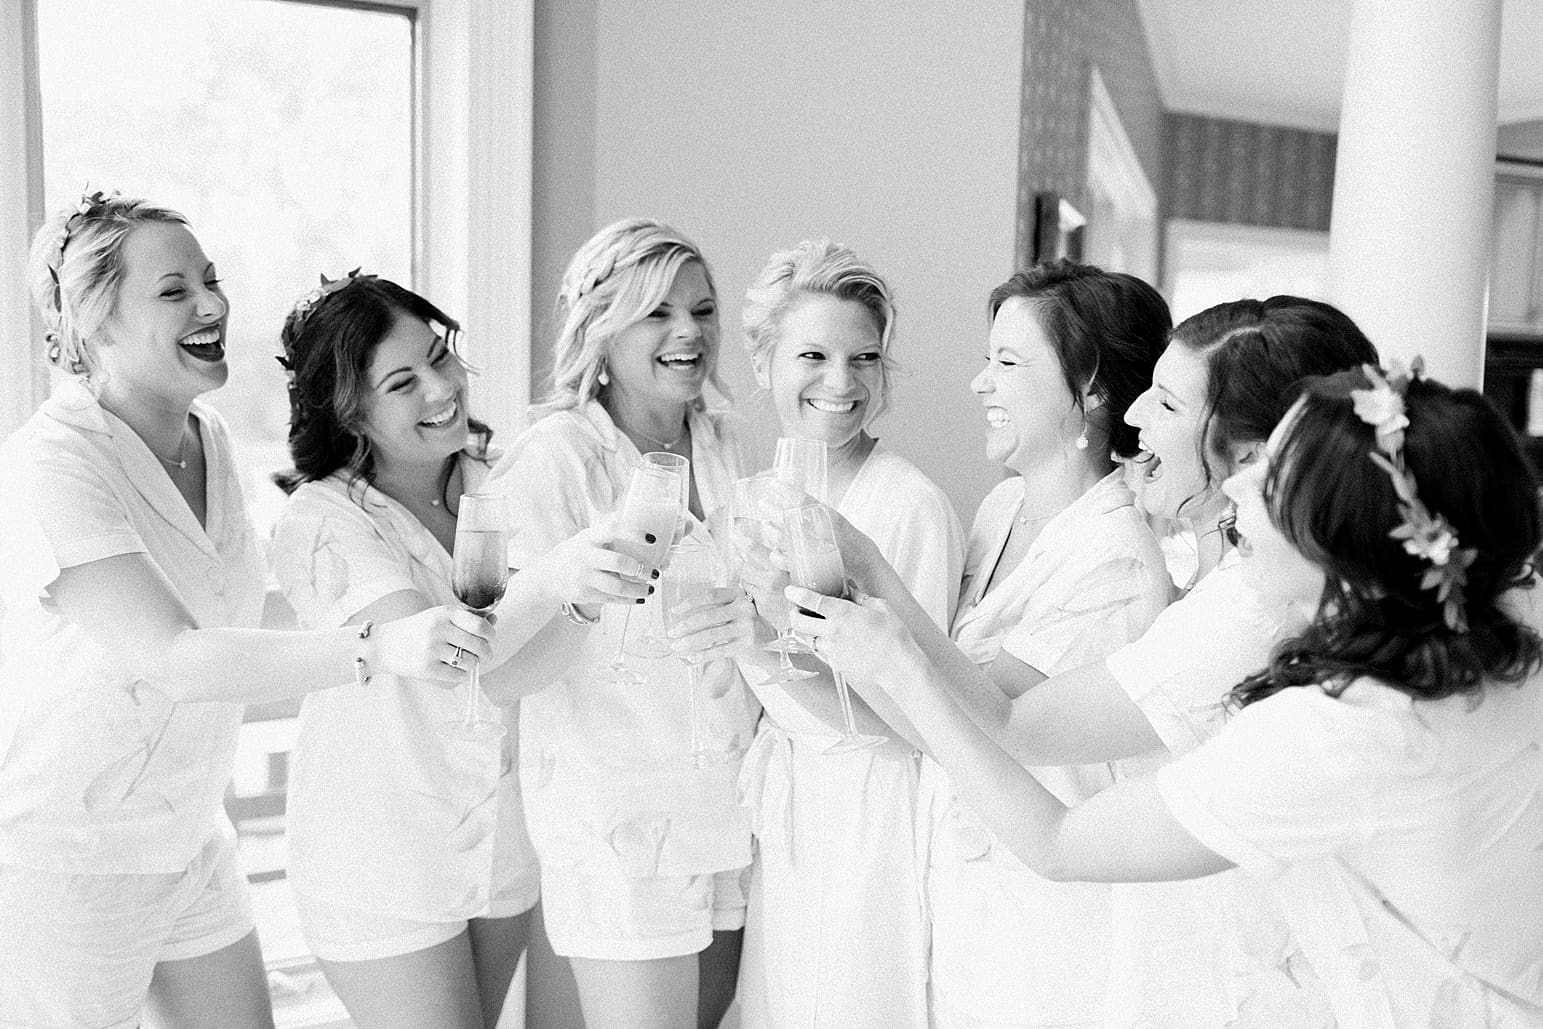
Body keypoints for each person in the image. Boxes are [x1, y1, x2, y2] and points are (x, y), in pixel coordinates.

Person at [798, 363, 1543, 1028]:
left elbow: (1059, 843)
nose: (1239, 481)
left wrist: (898, 668)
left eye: (1272, 477)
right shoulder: (1501, 621)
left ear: (1339, 548)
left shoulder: (1345, 731)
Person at [0, 193, 489, 1029]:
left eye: (211, 279)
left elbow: (244, 614)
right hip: (67, 864)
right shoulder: (54, 463)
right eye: (174, 289)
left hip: (191, 840)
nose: (212, 303)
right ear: (93, 320)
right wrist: (377, 645)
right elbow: (179, 657)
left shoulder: (210, 438)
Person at [268, 272, 661, 1028]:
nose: (441, 387)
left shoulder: (500, 479)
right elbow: (448, 661)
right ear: (349, 410)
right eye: (401, 381)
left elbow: (512, 678)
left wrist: (579, 600)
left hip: (498, 846)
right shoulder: (324, 522)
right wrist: (555, 575)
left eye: (439, 355)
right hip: (382, 855)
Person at [484, 217, 760, 1029]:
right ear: (601, 330)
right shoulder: (553, 459)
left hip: (727, 804)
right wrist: (577, 593)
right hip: (618, 821)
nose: (689, 333)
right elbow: (498, 667)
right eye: (657, 313)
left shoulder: (724, 442)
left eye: (702, 311)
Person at [921, 261, 1174, 1028]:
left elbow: (982, 715)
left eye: (1005, 362)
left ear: (1091, 386)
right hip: (964, 898)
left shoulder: (1115, 557)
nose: (977, 382)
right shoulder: (1000, 508)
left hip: (1049, 930)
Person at [732, 238, 965, 1028]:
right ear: (763, 362)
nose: (841, 381)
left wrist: (758, 636)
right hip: (785, 810)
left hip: (870, 813)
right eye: (813, 355)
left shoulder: (910, 507)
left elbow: (916, 722)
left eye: (863, 358)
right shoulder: (749, 501)